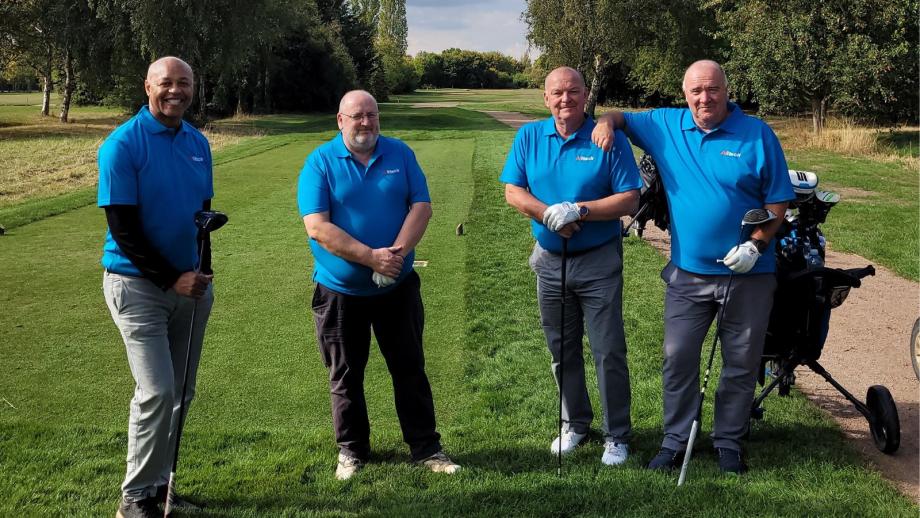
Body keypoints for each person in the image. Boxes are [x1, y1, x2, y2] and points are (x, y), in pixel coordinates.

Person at [591, 59, 795, 474]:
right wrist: (606, 124)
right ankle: (675, 439)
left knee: (740, 361)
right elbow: (620, 117)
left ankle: (729, 442)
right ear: (684, 94)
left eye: (712, 89)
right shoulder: (665, 125)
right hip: (688, 274)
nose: (705, 98)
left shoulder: (757, 134)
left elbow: (778, 202)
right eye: (696, 91)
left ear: (726, 89)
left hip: (749, 275)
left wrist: (756, 246)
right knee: (678, 356)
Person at [298, 90, 460, 480]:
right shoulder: (319, 162)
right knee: (345, 375)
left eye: (372, 115)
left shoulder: (399, 153)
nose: (366, 123)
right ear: (341, 120)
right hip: (340, 291)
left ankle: (426, 448)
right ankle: (352, 451)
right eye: (357, 116)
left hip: (397, 288)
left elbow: (421, 206)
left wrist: (396, 256)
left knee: (410, 369)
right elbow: (317, 227)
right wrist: (371, 258)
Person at [500, 67, 642, 465]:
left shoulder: (604, 138)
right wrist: (549, 214)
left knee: (607, 349)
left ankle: (617, 435)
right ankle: (575, 423)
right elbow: (514, 191)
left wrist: (578, 210)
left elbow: (629, 198)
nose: (566, 99)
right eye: (557, 93)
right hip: (548, 262)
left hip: (598, 261)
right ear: (545, 98)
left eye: (574, 92)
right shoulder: (529, 136)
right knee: (561, 348)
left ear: (585, 96)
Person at [98, 56, 215, 518]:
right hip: (135, 286)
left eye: (183, 83)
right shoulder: (121, 145)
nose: (175, 91)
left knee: (181, 390)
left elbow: (201, 216)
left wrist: (203, 270)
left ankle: (160, 486)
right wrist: (172, 277)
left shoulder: (198, 143)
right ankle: (135, 497)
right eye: (166, 83)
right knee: (157, 391)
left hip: (189, 288)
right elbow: (123, 229)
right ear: (147, 86)